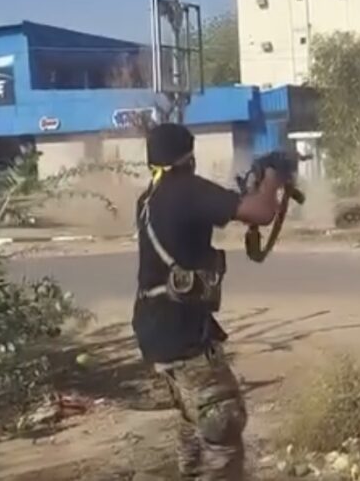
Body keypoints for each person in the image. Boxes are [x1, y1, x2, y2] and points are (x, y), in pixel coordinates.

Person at [133, 123, 285, 480]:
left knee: (194, 415)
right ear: (187, 157)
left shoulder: (150, 198)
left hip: (156, 326)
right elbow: (262, 213)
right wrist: (274, 179)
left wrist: (252, 187)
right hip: (180, 329)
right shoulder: (186, 189)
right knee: (222, 418)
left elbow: (218, 211)